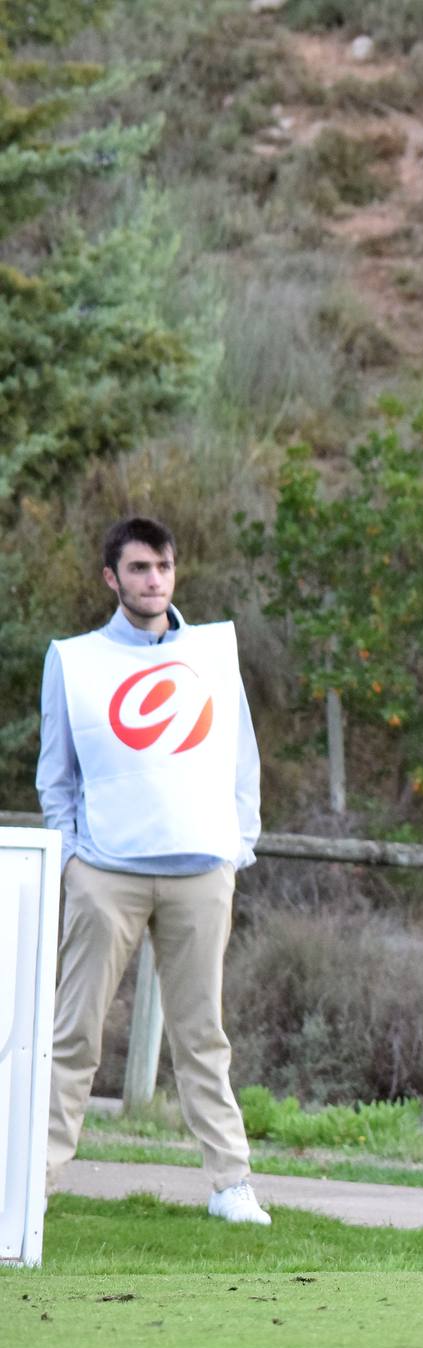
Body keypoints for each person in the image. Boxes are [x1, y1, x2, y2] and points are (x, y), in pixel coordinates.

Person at [37, 516, 268, 1225]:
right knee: (75, 1033)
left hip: (200, 869)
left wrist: (237, 848)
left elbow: (240, 761)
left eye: (163, 567)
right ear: (112, 577)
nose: (154, 580)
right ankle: (31, 1183)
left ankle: (231, 1184)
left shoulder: (210, 653)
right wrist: (74, 860)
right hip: (106, 872)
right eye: (138, 568)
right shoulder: (75, 661)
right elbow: (56, 778)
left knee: (202, 1035)